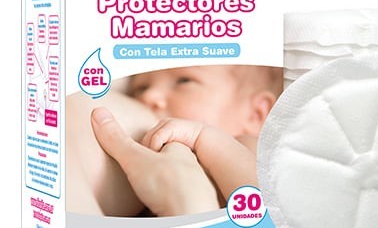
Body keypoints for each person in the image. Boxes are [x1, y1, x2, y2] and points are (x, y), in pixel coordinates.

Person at [67, 65, 282, 217]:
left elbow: (268, 205)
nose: (150, 95)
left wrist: (202, 136)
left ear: (256, 114)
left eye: (184, 81)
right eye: (141, 87)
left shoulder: (246, 146)